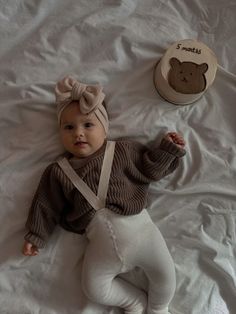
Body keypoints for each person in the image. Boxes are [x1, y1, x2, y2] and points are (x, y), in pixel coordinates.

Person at [22, 76, 186, 314]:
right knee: (94, 289)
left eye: (88, 125)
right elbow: (46, 205)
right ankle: (134, 303)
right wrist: (35, 235)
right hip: (100, 246)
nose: (78, 133)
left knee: (165, 276)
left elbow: (150, 168)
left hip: (143, 232)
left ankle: (159, 308)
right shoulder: (58, 172)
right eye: (69, 127)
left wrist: (168, 149)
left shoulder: (123, 151)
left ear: (105, 128)